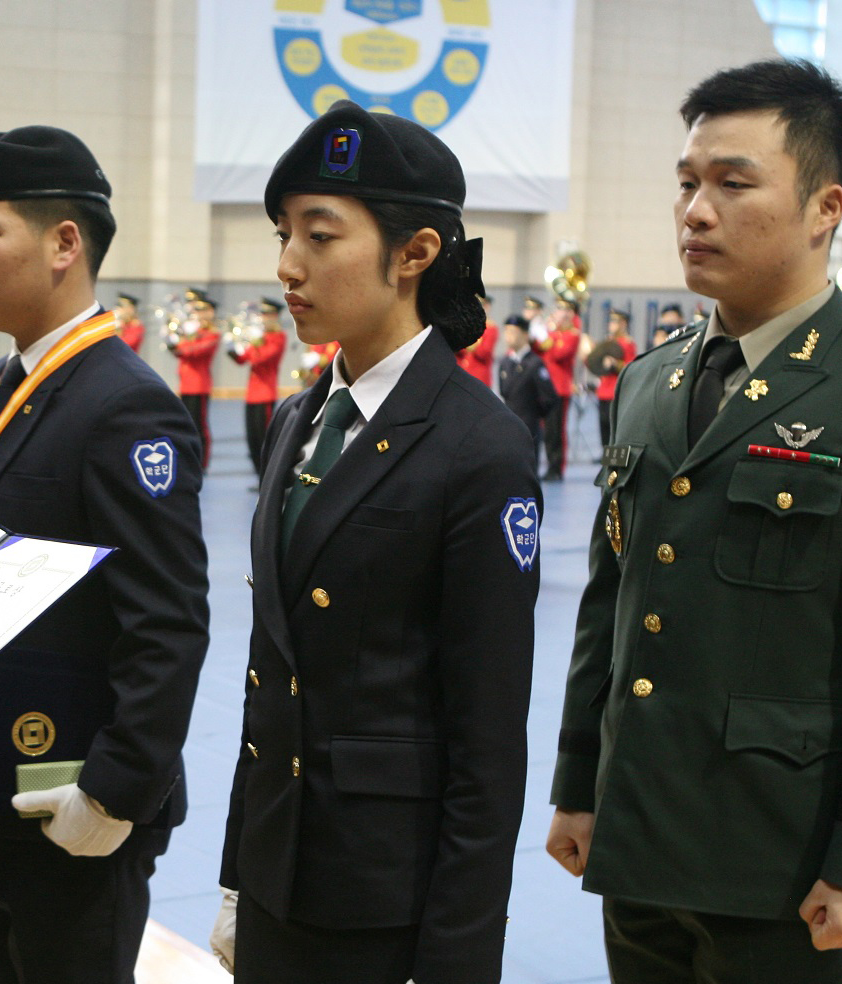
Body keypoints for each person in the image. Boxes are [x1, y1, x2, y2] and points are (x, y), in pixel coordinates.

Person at [547, 60, 842, 984]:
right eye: (686, 182)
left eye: (733, 183)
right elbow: (612, 605)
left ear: (825, 207)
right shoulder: (648, 383)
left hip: (782, 863)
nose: (696, 211)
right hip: (639, 839)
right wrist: (580, 786)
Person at [212, 99, 539, 984]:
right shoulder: (296, 419)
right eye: (284, 235)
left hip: (384, 903)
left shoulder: (479, 447)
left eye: (320, 237)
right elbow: (267, 678)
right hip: (283, 877)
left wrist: (457, 959)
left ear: (415, 253)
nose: (287, 266)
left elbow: (487, 738)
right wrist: (239, 879)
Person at [0, 124, 210, 984]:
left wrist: (116, 792)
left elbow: (167, 620)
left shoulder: (125, 406)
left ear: (64, 244)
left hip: (73, 799)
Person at [228, 298, 288, 478]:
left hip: (265, 395)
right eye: (262, 315)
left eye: (267, 315)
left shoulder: (277, 337)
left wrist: (254, 341)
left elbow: (260, 358)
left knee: (264, 441)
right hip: (252, 395)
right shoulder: (259, 338)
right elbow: (242, 359)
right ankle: (259, 476)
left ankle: (267, 478)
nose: (263, 319)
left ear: (275, 316)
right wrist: (232, 344)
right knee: (252, 441)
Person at [173, 288, 223, 469]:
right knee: (186, 424)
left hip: (199, 385)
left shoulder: (212, 333)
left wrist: (185, 340)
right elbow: (177, 350)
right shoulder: (193, 332)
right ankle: (189, 458)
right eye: (197, 311)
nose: (199, 315)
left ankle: (201, 462)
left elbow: (191, 351)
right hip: (186, 383)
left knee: (199, 427)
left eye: (203, 311)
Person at [532, 298, 580, 479]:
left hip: (560, 388)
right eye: (559, 310)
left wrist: (546, 334)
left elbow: (559, 354)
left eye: (566, 311)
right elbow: (536, 349)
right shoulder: (552, 333)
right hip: (544, 387)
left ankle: (556, 466)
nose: (562, 314)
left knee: (556, 430)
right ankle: (548, 463)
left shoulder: (572, 334)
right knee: (545, 429)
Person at [498, 316, 559, 431]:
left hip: (529, 426)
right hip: (509, 425)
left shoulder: (534, 363)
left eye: (513, 332)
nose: (508, 336)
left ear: (525, 335)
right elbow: (504, 392)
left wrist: (535, 416)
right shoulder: (505, 362)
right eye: (506, 331)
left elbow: (549, 398)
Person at [591, 308, 638, 446]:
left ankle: (614, 465)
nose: (611, 324)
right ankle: (605, 462)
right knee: (604, 431)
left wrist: (615, 363)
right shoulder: (607, 342)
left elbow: (630, 367)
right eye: (610, 321)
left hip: (616, 393)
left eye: (615, 321)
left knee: (615, 433)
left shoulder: (628, 344)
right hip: (603, 392)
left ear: (623, 324)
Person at [455, 290, 499, 383]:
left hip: (479, 375)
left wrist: (469, 344)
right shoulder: (467, 324)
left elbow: (484, 352)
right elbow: (458, 347)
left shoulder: (491, 328)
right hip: (463, 372)